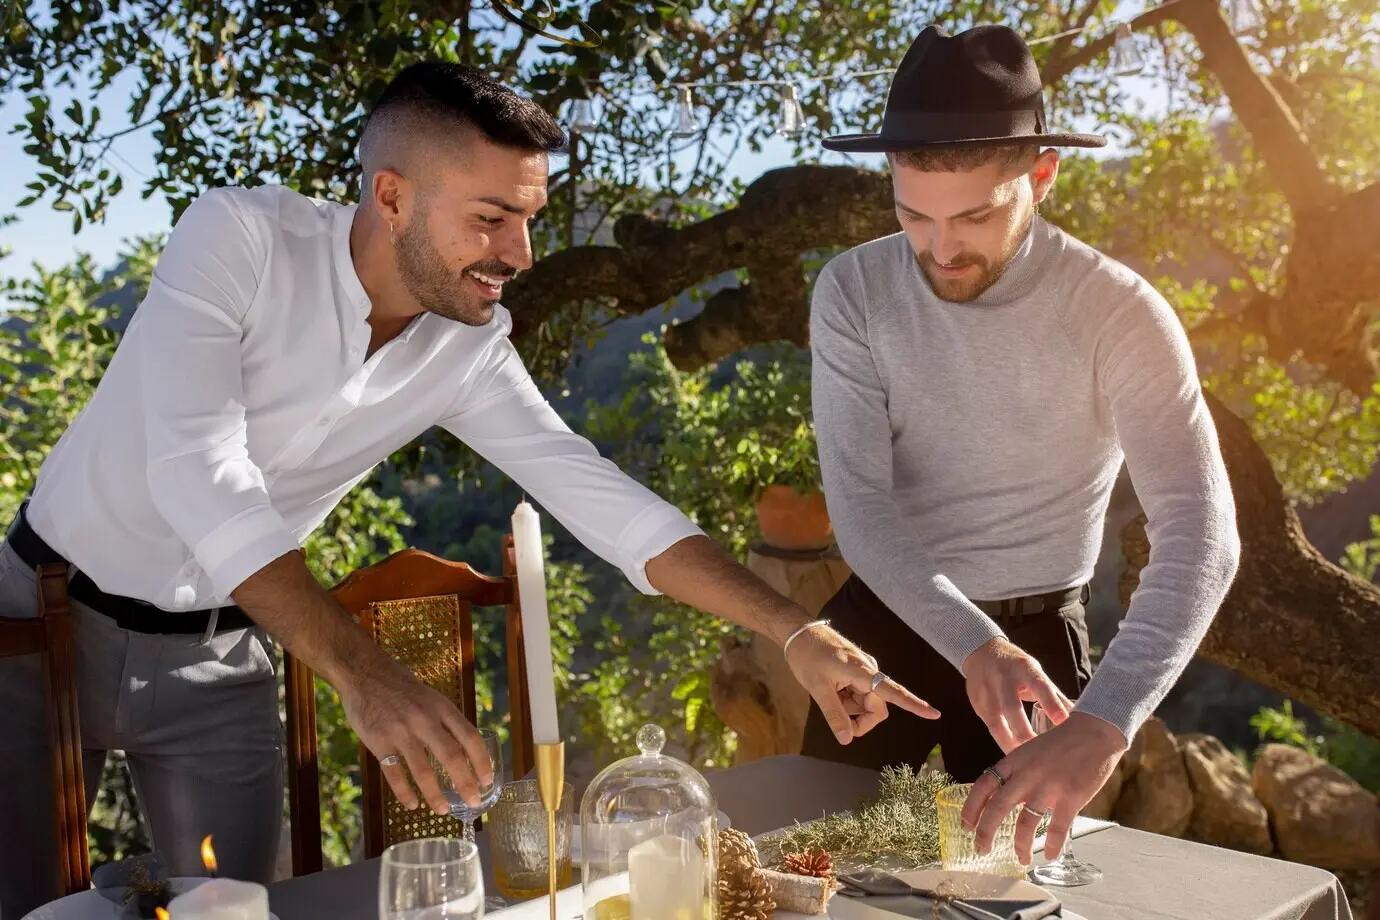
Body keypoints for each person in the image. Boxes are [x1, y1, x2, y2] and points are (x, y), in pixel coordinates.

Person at [0, 62, 938, 917]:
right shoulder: (238, 238)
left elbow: (603, 499)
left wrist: (794, 629)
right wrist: (365, 675)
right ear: (392, 196)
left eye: (529, 218)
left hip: (224, 654)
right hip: (37, 627)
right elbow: (198, 471)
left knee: (237, 910)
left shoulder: (470, 348)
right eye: (491, 218)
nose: (521, 252)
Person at [799, 23, 1241, 866]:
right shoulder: (852, 289)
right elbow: (859, 509)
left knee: (1017, 890)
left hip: (1038, 646)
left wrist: (1106, 721)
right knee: (822, 873)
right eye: (913, 214)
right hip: (882, 625)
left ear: (1042, 176)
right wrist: (975, 646)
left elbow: (1202, 535)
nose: (940, 250)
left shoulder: (1121, 313)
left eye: (975, 215)